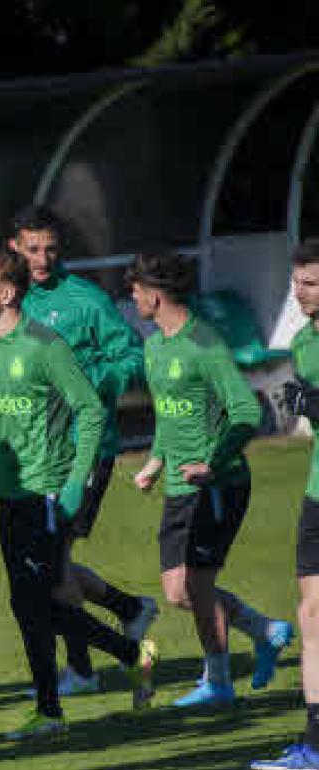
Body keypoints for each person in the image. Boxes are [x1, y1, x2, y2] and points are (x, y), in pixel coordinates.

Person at [0, 249, 156, 739]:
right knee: (28, 604)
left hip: (48, 492)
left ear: (6, 294)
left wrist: (73, 484)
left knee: (34, 601)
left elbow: (90, 411)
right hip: (11, 491)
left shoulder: (45, 346)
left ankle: (57, 707)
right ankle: (123, 657)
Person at [126, 252, 292, 708]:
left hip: (217, 485)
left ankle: (217, 681)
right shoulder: (155, 346)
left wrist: (213, 464)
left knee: (196, 588)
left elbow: (246, 411)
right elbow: (170, 415)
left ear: (155, 295)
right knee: (177, 591)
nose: (132, 297)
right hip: (182, 489)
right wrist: (155, 464)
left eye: (136, 290)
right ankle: (265, 630)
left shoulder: (205, 345)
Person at [12, 205, 159, 696]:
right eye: (33, 248)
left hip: (84, 449)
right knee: (49, 563)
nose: (43, 258)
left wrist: (89, 384)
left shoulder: (85, 299)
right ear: (15, 247)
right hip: (36, 455)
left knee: (51, 566)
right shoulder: (11, 301)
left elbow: (131, 355)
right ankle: (129, 610)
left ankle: (81, 669)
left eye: (51, 248)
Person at [254, 238, 319, 770]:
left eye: (312, 282)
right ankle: (315, 745)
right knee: (312, 613)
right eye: (297, 282)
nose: (301, 292)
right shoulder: (302, 343)